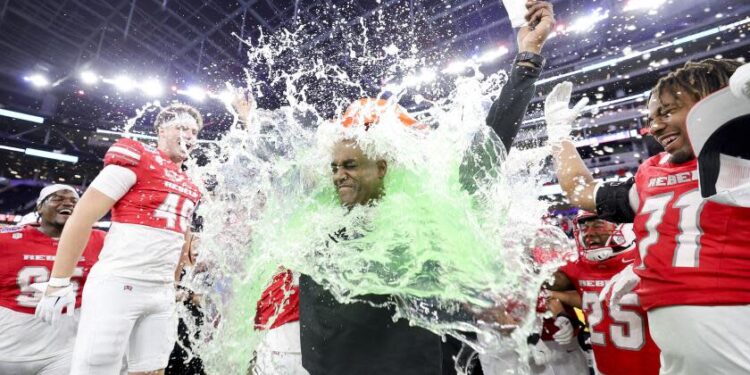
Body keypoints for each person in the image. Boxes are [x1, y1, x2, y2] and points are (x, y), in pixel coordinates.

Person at [298, 1, 557, 374]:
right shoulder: (313, 217)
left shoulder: (422, 216)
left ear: (385, 164)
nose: (339, 173)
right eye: (335, 164)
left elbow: (487, 153)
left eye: (351, 164)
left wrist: (527, 61)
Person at [548, 59, 750, 374]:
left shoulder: (742, 159)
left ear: (714, 101)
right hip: (680, 355)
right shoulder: (650, 174)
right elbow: (580, 191)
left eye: (667, 112)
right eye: (652, 117)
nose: (654, 126)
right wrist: (558, 134)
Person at [35, 104, 203, 375]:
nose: (189, 136)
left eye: (194, 131)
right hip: (120, 282)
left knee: (153, 370)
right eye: (181, 128)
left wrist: (174, 281)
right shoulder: (138, 158)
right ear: (161, 130)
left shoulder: (190, 181)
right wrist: (58, 282)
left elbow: (179, 237)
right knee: (96, 369)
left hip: (160, 291)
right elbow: (82, 217)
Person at [0, 185, 105, 374]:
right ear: (39, 207)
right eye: (57, 198)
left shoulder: (100, 240)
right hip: (8, 340)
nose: (67, 203)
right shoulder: (6, 239)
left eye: (74, 201)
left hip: (65, 347)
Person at [548, 211, 660, 375]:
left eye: (598, 225)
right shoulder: (580, 265)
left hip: (655, 368)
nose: (589, 233)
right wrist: (560, 311)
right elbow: (539, 285)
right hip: (604, 368)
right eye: (584, 228)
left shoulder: (648, 259)